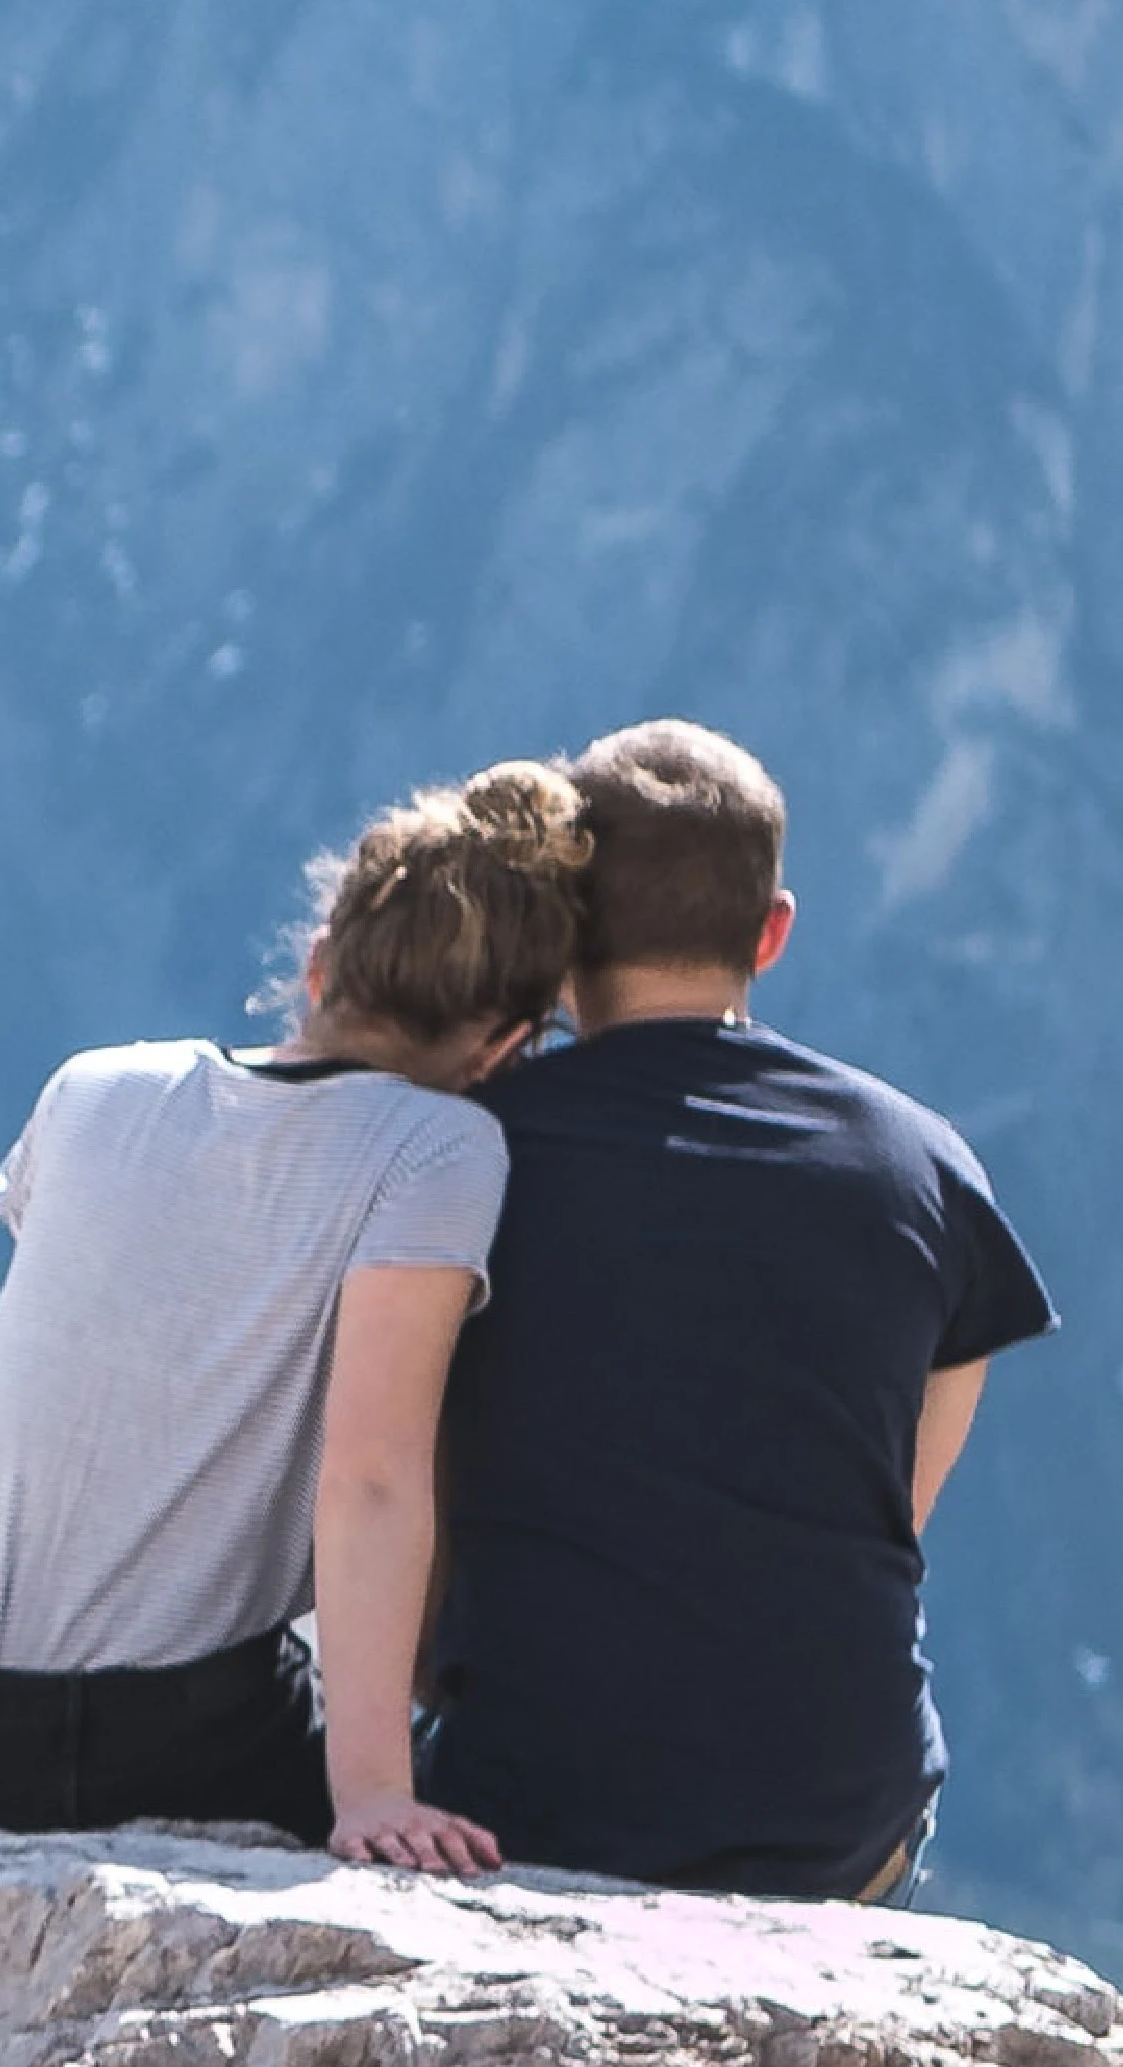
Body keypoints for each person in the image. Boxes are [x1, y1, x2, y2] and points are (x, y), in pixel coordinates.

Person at [0, 765, 582, 1870]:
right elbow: (370, 1474)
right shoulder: (437, 1150)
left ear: (319, 964)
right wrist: (370, 1792)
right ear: (501, 1050)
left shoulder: (93, 1087)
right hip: (179, 1753)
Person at [411, 720, 1054, 1898]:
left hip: (527, 1809)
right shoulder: (922, 1167)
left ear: (564, 937)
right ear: (771, 932)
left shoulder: (462, 1159)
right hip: (835, 1830)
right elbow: (888, 1505)